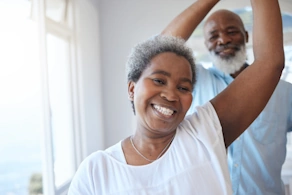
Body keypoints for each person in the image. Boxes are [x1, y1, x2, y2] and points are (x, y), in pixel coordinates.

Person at [68, 0, 284, 194]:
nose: (171, 95)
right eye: (159, 81)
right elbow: (159, 49)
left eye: (183, 87)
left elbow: (269, 64)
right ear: (132, 89)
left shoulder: (204, 133)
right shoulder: (95, 171)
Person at [162, 1, 292, 195]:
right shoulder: (194, 82)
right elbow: (159, 50)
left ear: (247, 36)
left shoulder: (284, 92)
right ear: (206, 44)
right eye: (213, 36)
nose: (223, 40)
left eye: (232, 31)